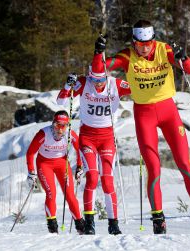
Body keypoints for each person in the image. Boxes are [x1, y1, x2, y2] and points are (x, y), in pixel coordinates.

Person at [92, 19, 190, 234]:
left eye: (148, 44)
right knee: (153, 168)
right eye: (140, 44)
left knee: (184, 162)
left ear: (153, 40)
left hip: (169, 112)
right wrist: (98, 53)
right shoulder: (127, 56)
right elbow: (99, 71)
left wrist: (182, 56)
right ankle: (158, 218)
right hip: (144, 114)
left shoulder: (163, 49)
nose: (145, 48)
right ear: (134, 42)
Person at [56, 61, 131, 235]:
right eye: (94, 80)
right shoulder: (84, 83)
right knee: (92, 177)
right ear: (90, 76)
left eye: (102, 80)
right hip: (88, 138)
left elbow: (140, 89)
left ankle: (114, 224)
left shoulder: (116, 84)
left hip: (107, 138)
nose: (98, 84)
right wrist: (68, 85)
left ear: (108, 75)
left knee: (107, 180)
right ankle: (89, 223)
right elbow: (61, 101)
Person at [26, 110, 85, 234]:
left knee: (70, 195)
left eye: (63, 126)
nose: (60, 130)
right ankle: (52, 227)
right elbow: (31, 152)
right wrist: (31, 172)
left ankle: (81, 226)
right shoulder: (43, 134)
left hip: (62, 164)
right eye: (58, 125)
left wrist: (79, 167)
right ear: (53, 124)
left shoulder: (70, 134)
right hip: (44, 164)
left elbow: (80, 149)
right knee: (51, 193)